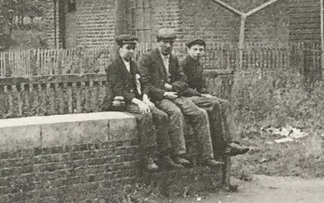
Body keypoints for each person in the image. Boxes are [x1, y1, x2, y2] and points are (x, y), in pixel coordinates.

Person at [102, 34, 177, 172]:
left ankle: (164, 155)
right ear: (120, 49)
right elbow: (120, 90)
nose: (131, 51)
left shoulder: (134, 65)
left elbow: (144, 84)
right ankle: (147, 157)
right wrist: (139, 103)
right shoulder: (114, 67)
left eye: (133, 48)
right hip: (121, 102)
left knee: (162, 116)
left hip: (137, 100)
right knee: (145, 116)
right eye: (128, 48)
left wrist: (146, 99)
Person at [170, 37, 251, 160]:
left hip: (197, 96)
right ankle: (221, 143)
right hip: (186, 97)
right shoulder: (183, 64)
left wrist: (205, 93)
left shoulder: (199, 65)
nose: (198, 52)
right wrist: (200, 95)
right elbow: (182, 86)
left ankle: (233, 142)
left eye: (201, 50)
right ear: (188, 50)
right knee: (214, 104)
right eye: (195, 49)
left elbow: (201, 84)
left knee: (225, 104)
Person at [138, 27, 204, 169]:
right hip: (157, 98)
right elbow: (146, 84)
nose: (168, 46)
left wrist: (172, 87)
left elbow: (183, 80)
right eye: (164, 42)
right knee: (175, 113)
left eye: (171, 43)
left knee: (199, 113)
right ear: (157, 42)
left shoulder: (173, 59)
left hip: (174, 95)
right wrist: (163, 93)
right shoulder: (147, 59)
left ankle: (204, 155)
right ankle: (179, 154)